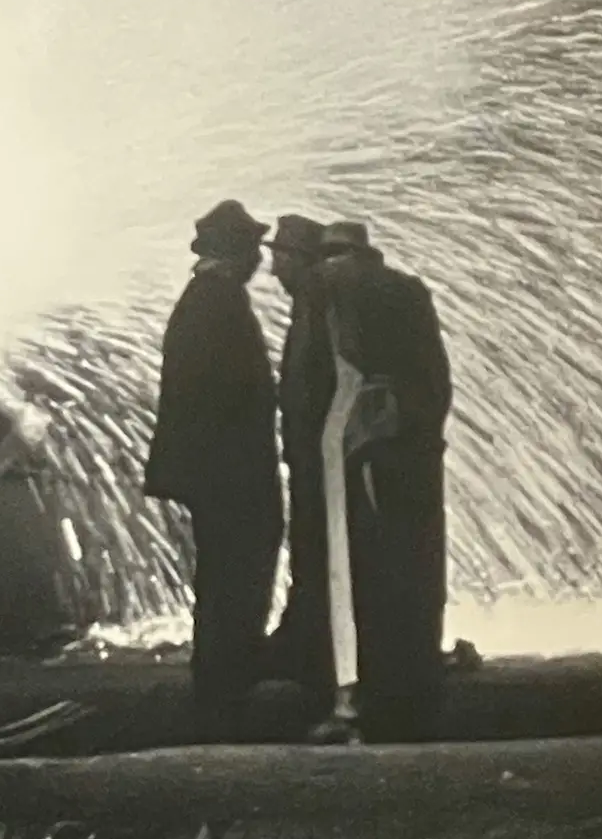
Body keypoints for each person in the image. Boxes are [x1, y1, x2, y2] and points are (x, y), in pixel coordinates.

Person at [142, 200, 283, 736]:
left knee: (228, 567)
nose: (259, 261)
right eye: (252, 249)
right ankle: (227, 680)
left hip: (217, 470)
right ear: (236, 252)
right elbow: (224, 391)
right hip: (229, 471)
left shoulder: (207, 297)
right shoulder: (217, 300)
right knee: (237, 567)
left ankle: (225, 673)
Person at [312, 220, 454, 743]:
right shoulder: (405, 290)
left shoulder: (352, 294)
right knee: (416, 572)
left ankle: (389, 696)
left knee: (380, 575)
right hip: (414, 446)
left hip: (381, 446)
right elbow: (435, 382)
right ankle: (415, 689)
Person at [261, 214, 338, 704]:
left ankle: (311, 650)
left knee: (316, 546)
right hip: (312, 453)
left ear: (300, 260)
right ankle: (306, 641)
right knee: (312, 547)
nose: (272, 271)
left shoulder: (317, 308)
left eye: (279, 258)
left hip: (318, 456)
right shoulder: (313, 306)